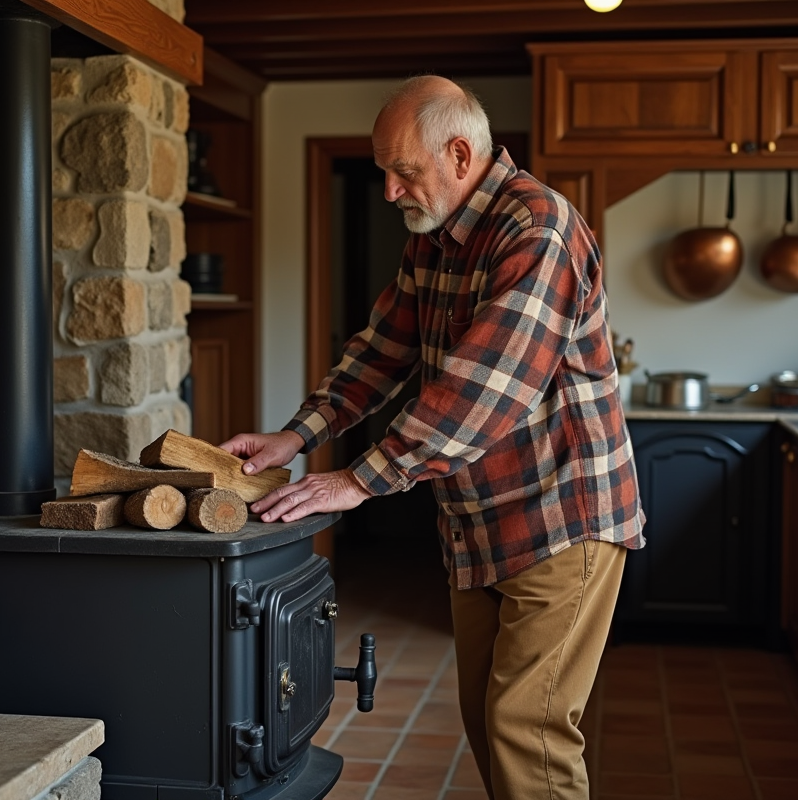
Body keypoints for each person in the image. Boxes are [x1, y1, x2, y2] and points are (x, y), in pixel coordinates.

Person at [220, 75, 645, 800]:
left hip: (560, 519)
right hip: (478, 525)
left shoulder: (536, 226)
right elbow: (382, 351)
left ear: (458, 152)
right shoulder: (436, 237)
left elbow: (484, 386)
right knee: (489, 724)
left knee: (527, 732)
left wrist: (357, 478)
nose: (388, 191)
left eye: (402, 171)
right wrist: (296, 437)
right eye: (384, 172)